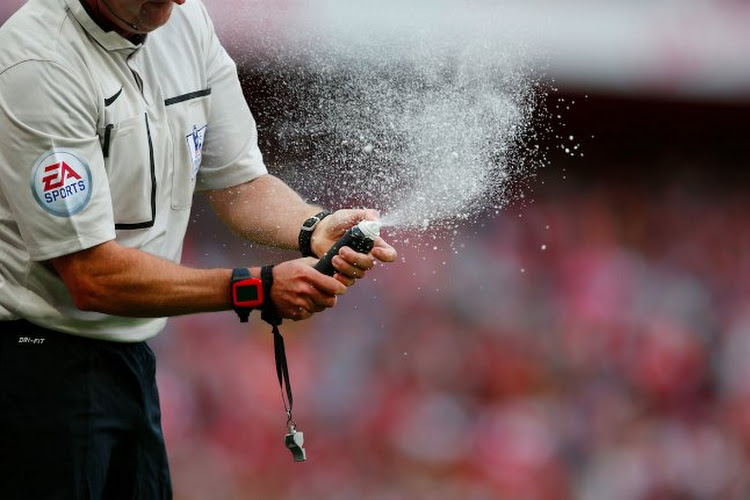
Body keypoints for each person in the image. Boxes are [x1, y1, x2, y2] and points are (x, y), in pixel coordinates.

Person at [0, 0, 397, 498]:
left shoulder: (184, 22)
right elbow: (90, 275)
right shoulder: (38, 63)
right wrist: (257, 287)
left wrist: (313, 226)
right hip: (33, 368)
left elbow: (239, 184)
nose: (179, 1)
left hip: (129, 360)